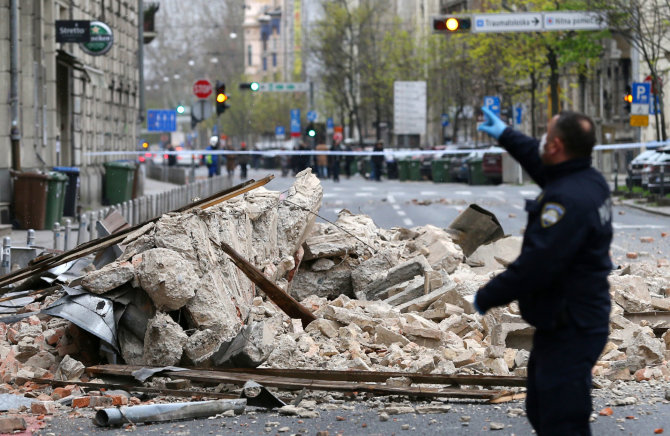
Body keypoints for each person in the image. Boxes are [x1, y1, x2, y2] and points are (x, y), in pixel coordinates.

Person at [475, 107, 612, 436]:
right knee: (541, 406)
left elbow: (536, 266)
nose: (539, 144)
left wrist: (486, 296)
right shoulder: (587, 180)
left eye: (545, 137)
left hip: (573, 327)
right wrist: (506, 134)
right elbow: (541, 164)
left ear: (556, 146)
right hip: (567, 321)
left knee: (563, 421)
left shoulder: (566, 201)